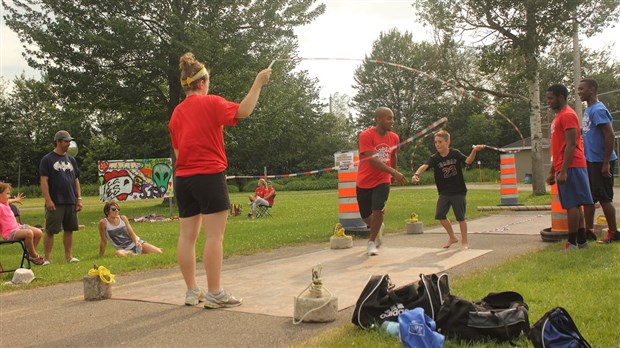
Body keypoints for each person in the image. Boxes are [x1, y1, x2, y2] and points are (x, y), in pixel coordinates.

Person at [168, 52, 271, 308]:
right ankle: (214, 293)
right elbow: (244, 111)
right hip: (209, 175)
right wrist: (258, 83)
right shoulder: (212, 103)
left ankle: (192, 291)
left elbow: (179, 153)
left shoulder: (177, 114)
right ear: (202, 82)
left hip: (183, 179)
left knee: (187, 237)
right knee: (214, 236)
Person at [412, 130, 484, 249]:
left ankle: (464, 242)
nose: (437, 145)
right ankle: (452, 237)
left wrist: (474, 150)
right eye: (435, 142)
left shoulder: (455, 153)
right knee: (440, 215)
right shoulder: (434, 158)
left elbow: (468, 161)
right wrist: (416, 175)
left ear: (448, 142)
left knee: (460, 218)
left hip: (458, 191)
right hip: (444, 192)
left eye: (440, 142)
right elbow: (424, 166)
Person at [546, 83, 594, 251]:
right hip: (564, 165)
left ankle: (572, 242)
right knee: (575, 204)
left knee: (571, 204)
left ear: (560, 97)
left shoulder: (567, 115)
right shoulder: (558, 117)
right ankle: (581, 242)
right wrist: (553, 171)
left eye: (551, 98)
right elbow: (558, 147)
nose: (549, 102)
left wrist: (564, 170)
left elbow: (571, 144)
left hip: (572, 165)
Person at [356, 107, 407, 256]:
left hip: (382, 180)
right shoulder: (366, 135)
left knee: (378, 209)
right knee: (365, 215)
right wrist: (394, 172)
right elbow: (373, 160)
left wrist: (392, 175)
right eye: (389, 118)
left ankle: (371, 242)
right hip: (364, 180)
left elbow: (393, 156)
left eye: (393, 118)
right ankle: (377, 227)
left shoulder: (394, 137)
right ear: (379, 119)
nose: (392, 121)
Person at [578, 78, 620, 244]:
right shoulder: (588, 110)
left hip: (601, 162)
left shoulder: (598, 110)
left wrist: (605, 163)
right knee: (589, 198)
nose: (579, 92)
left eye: (582, 89)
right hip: (590, 160)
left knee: (604, 198)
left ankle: (613, 233)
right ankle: (588, 231)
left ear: (592, 89)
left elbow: (609, 135)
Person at [40, 130, 83, 265]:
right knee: (51, 230)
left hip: (70, 200)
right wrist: (48, 200)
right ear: (58, 142)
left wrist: (79, 198)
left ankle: (69, 257)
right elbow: (44, 180)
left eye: (70, 141)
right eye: (66, 141)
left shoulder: (71, 160)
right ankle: (46, 258)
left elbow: (76, 180)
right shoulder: (47, 159)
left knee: (70, 229)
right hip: (55, 201)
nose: (68, 144)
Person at [0, 182, 45, 265]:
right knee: (29, 233)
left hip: (18, 227)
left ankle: (28, 254)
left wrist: (16, 200)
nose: (9, 196)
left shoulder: (5, 202)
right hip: (10, 233)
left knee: (39, 232)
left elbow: (9, 200)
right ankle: (34, 255)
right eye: (7, 193)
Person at [98, 202, 163, 257]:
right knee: (118, 253)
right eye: (113, 209)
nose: (117, 211)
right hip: (123, 249)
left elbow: (131, 233)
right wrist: (101, 255)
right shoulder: (103, 223)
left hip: (135, 243)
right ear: (107, 212)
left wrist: (137, 242)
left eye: (118, 209)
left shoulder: (123, 218)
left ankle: (138, 254)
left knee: (158, 252)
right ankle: (135, 254)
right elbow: (103, 241)